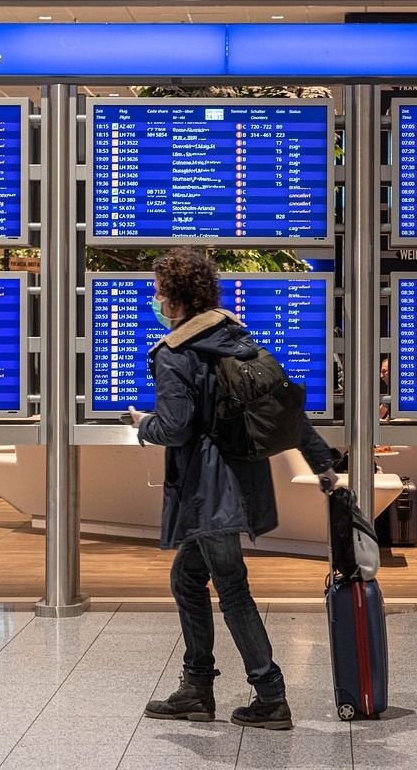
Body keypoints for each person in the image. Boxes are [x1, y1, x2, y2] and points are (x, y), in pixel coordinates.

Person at [127, 247, 338, 730]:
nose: (155, 298)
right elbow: (284, 409)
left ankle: (269, 695)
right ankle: (197, 687)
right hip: (241, 482)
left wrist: (144, 424)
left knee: (232, 588)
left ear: (176, 299)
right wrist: (322, 461)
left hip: (208, 490)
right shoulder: (238, 341)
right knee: (187, 578)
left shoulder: (176, 355)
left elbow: (176, 428)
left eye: (159, 291)